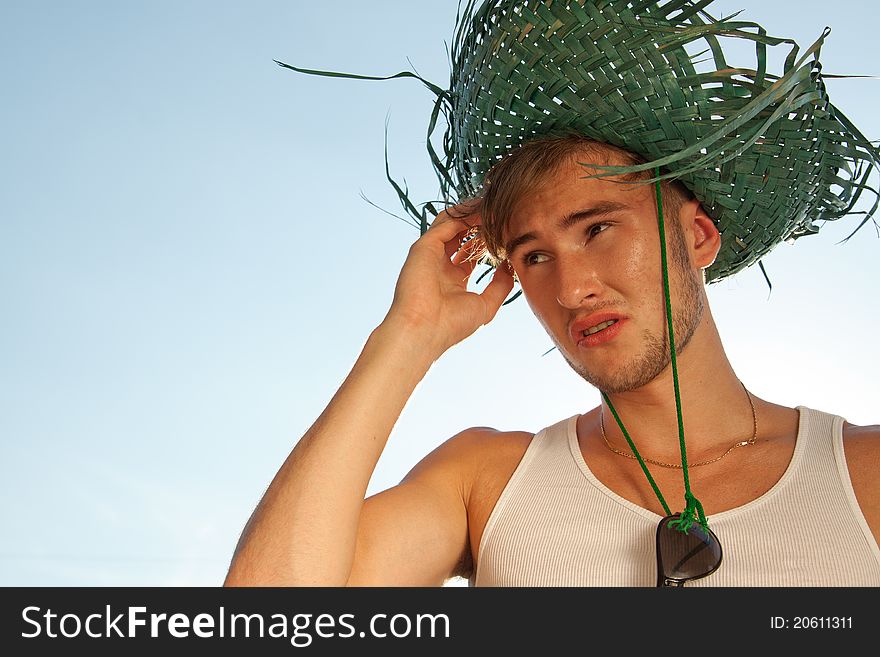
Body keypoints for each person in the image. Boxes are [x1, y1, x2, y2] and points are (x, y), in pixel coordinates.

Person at [224, 0, 880, 586]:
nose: (571, 288)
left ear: (699, 235)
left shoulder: (862, 473)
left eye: (597, 228)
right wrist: (407, 336)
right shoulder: (487, 480)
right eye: (534, 255)